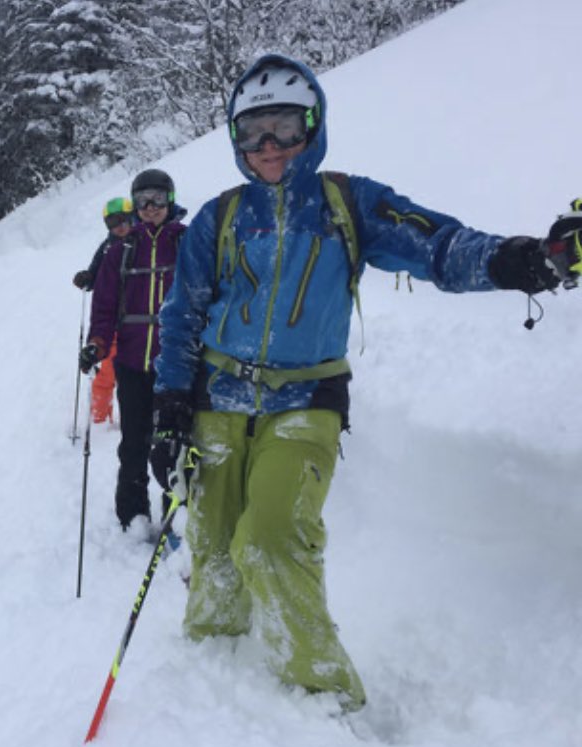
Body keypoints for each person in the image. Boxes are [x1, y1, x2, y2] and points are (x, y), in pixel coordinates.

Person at [148, 53, 580, 712]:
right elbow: (182, 315)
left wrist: (521, 260)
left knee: (268, 538)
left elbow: (440, 246)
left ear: (313, 127)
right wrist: (169, 403)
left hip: (306, 400)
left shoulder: (347, 203)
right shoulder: (220, 216)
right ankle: (214, 650)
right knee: (212, 541)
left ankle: (320, 695)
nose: (269, 146)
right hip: (217, 398)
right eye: (253, 130)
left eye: (286, 128)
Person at [79, 170, 187, 533]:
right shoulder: (121, 250)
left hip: (177, 364)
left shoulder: (187, 243)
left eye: (158, 198)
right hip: (131, 362)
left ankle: (178, 516)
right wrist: (97, 344)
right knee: (134, 443)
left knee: (176, 444)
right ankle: (132, 514)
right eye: (143, 200)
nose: (151, 207)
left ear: (170, 200)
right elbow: (105, 305)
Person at [73, 198, 134, 423]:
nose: (118, 226)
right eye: (111, 222)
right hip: (114, 323)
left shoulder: (144, 243)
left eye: (122, 219)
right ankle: (99, 419)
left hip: (141, 321)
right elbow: (95, 275)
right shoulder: (107, 247)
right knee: (107, 373)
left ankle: (145, 420)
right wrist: (87, 278)